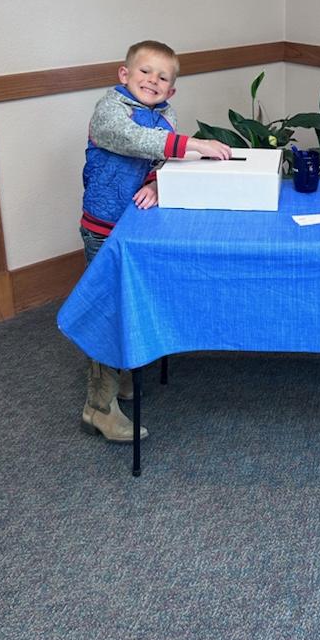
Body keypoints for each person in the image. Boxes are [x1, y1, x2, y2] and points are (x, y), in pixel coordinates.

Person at [79, 39, 231, 441]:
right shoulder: (109, 112)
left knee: (132, 301)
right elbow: (134, 142)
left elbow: (160, 159)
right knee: (106, 311)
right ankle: (99, 405)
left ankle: (123, 374)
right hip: (104, 227)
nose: (153, 81)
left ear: (172, 89)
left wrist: (161, 184)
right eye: (145, 72)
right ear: (124, 75)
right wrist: (194, 144)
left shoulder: (166, 115)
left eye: (163, 77)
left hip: (139, 225)